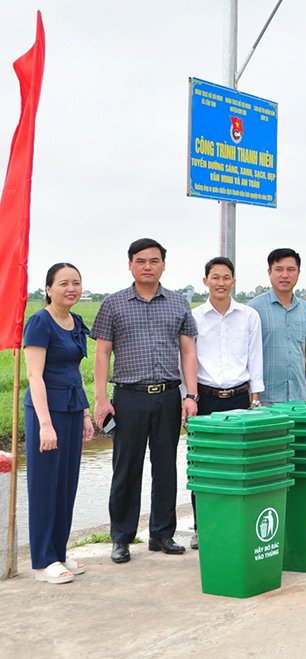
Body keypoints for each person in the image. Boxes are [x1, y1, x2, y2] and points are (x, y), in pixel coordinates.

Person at [93, 238, 198, 563]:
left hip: (168, 395)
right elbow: (102, 352)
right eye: (141, 261)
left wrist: (190, 395)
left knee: (166, 467)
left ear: (163, 265)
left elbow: (188, 351)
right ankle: (122, 537)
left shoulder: (179, 303)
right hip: (128, 397)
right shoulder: (113, 304)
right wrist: (100, 399)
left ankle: (162, 534)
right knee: (126, 468)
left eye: (154, 261)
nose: (147, 266)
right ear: (130, 265)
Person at [23, 263, 93, 584]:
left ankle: (59, 552)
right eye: (63, 283)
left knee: (66, 482)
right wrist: (45, 424)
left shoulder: (76, 322)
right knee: (44, 485)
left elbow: (76, 372)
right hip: (45, 411)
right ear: (48, 289)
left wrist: (86, 414)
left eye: (76, 283)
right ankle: (42, 560)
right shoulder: (40, 322)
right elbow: (34, 375)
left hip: (71, 407)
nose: (71, 288)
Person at [190, 256, 264, 549]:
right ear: (205, 281)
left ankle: (238, 524)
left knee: (241, 464)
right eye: (215, 277)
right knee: (203, 465)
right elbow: (188, 359)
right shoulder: (194, 317)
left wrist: (255, 396)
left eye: (226, 278)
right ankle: (201, 527)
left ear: (234, 282)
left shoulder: (248, 316)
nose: (221, 283)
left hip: (240, 397)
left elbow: (255, 355)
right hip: (205, 399)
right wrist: (190, 397)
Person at [248, 248, 306, 403]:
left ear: (298, 273)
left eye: (290, 270)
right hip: (265, 397)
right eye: (279, 269)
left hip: (299, 396)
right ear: (269, 272)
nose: (285, 275)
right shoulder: (253, 309)